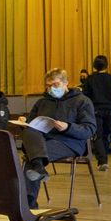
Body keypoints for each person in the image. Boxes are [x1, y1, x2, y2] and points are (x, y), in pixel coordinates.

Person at [21, 68, 96, 209]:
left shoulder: (82, 101)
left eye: (55, 85)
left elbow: (89, 130)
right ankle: (39, 169)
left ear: (66, 83)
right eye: (48, 86)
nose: (51, 89)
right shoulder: (42, 102)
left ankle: (29, 202)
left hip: (70, 142)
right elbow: (31, 124)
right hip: (43, 140)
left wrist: (68, 127)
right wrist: (23, 122)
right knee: (30, 133)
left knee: (32, 156)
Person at [82, 55, 111, 171]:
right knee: (108, 135)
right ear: (107, 66)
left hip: (95, 111)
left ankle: (102, 161)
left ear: (94, 66)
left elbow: (85, 98)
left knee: (97, 135)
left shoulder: (89, 79)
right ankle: (103, 158)